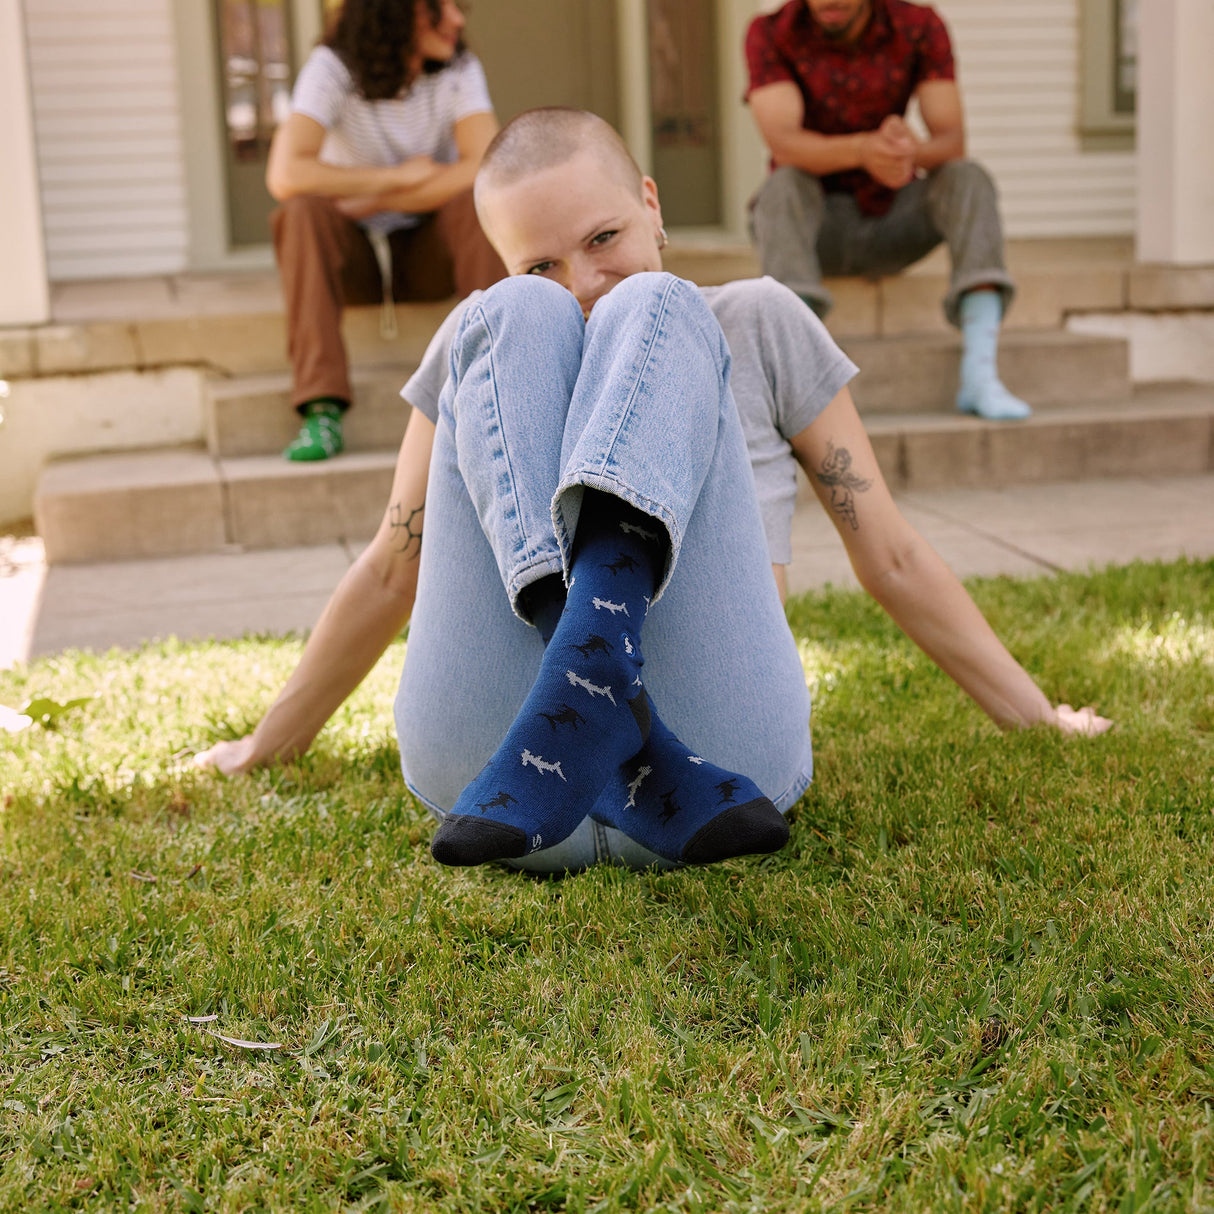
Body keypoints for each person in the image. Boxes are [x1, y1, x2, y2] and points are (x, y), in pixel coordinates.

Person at [197, 108, 1110, 875]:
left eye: (603, 239)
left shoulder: (754, 323)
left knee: (660, 306)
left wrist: (1038, 715)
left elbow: (892, 552)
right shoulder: (495, 337)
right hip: (498, 784)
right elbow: (394, 567)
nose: (584, 285)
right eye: (540, 264)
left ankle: (594, 685)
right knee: (500, 319)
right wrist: (263, 744)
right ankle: (588, 689)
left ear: (652, 205)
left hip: (720, 774)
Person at [745, 0, 1031, 421]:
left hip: (893, 222)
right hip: (813, 229)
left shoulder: (919, 25)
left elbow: (951, 142)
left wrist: (905, 151)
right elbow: (784, 145)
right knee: (783, 186)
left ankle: (980, 373)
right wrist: (863, 150)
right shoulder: (769, 31)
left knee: (968, 178)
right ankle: (796, 381)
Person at [265, 0, 506, 462]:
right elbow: (285, 174)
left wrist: (378, 200)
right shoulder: (333, 67)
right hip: (351, 258)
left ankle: (500, 382)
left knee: (476, 202)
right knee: (301, 213)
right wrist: (394, 179)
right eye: (443, 7)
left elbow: (485, 162)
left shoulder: (459, 67)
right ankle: (322, 407)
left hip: (424, 252)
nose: (458, 19)